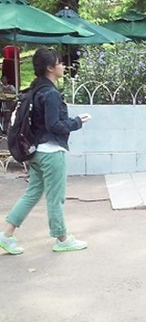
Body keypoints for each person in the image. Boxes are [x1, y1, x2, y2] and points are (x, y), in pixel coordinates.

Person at [0, 48, 90, 255]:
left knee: (32, 193)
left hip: (35, 152)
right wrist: (77, 122)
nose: (63, 66)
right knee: (55, 197)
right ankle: (62, 239)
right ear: (50, 68)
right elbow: (54, 125)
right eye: (59, 63)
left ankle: (6, 235)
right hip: (51, 152)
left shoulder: (35, 91)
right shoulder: (50, 94)